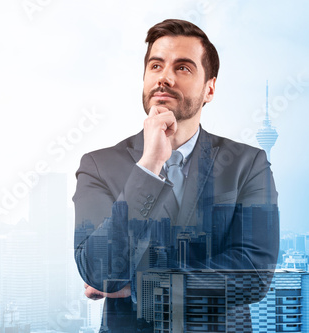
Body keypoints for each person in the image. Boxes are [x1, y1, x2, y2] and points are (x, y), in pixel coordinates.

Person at [73, 19, 279, 332]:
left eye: (183, 68)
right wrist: (150, 166)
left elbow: (253, 275)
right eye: (156, 66)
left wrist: (144, 288)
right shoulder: (99, 165)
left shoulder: (247, 165)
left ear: (209, 88)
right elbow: (99, 269)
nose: (165, 78)